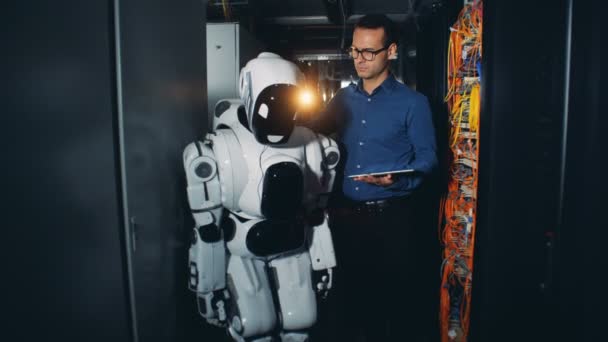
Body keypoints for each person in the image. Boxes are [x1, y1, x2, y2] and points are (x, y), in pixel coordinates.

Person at [308, 14, 438, 341]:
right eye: (355, 50)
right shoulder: (341, 100)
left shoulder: (413, 103)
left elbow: (428, 158)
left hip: (391, 221)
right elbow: (309, 138)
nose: (359, 60)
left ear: (391, 51)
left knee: (389, 306)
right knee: (345, 305)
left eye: (369, 52)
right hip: (342, 218)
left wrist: (399, 180)